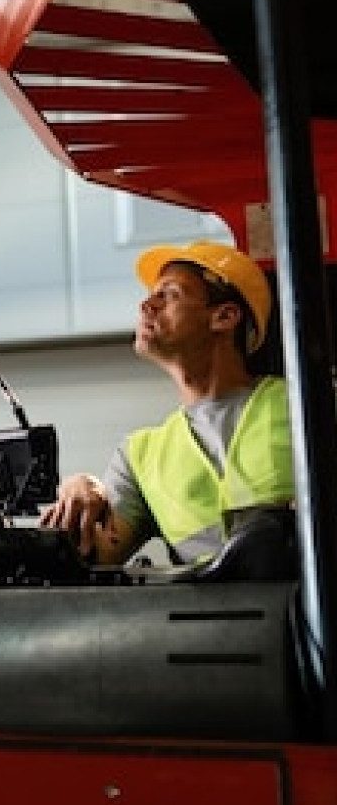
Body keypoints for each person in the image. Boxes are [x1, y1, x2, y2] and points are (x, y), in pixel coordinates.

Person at [41, 240, 293, 566]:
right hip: (217, 617)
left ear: (225, 316)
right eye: (151, 294)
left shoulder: (306, 405)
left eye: (170, 294)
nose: (147, 304)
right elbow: (91, 556)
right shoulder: (140, 456)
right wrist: (81, 488)